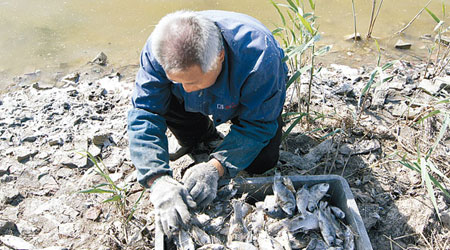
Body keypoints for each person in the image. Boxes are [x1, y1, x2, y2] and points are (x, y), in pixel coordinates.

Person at [127, 10, 287, 236]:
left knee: (262, 161)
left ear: (220, 56)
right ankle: (203, 136)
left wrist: (217, 167)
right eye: (177, 81)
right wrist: (157, 179)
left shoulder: (261, 57)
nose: (185, 89)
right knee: (185, 125)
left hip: (246, 95)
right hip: (191, 94)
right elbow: (144, 112)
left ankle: (225, 151)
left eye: (192, 81)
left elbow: (259, 124)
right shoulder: (158, 49)